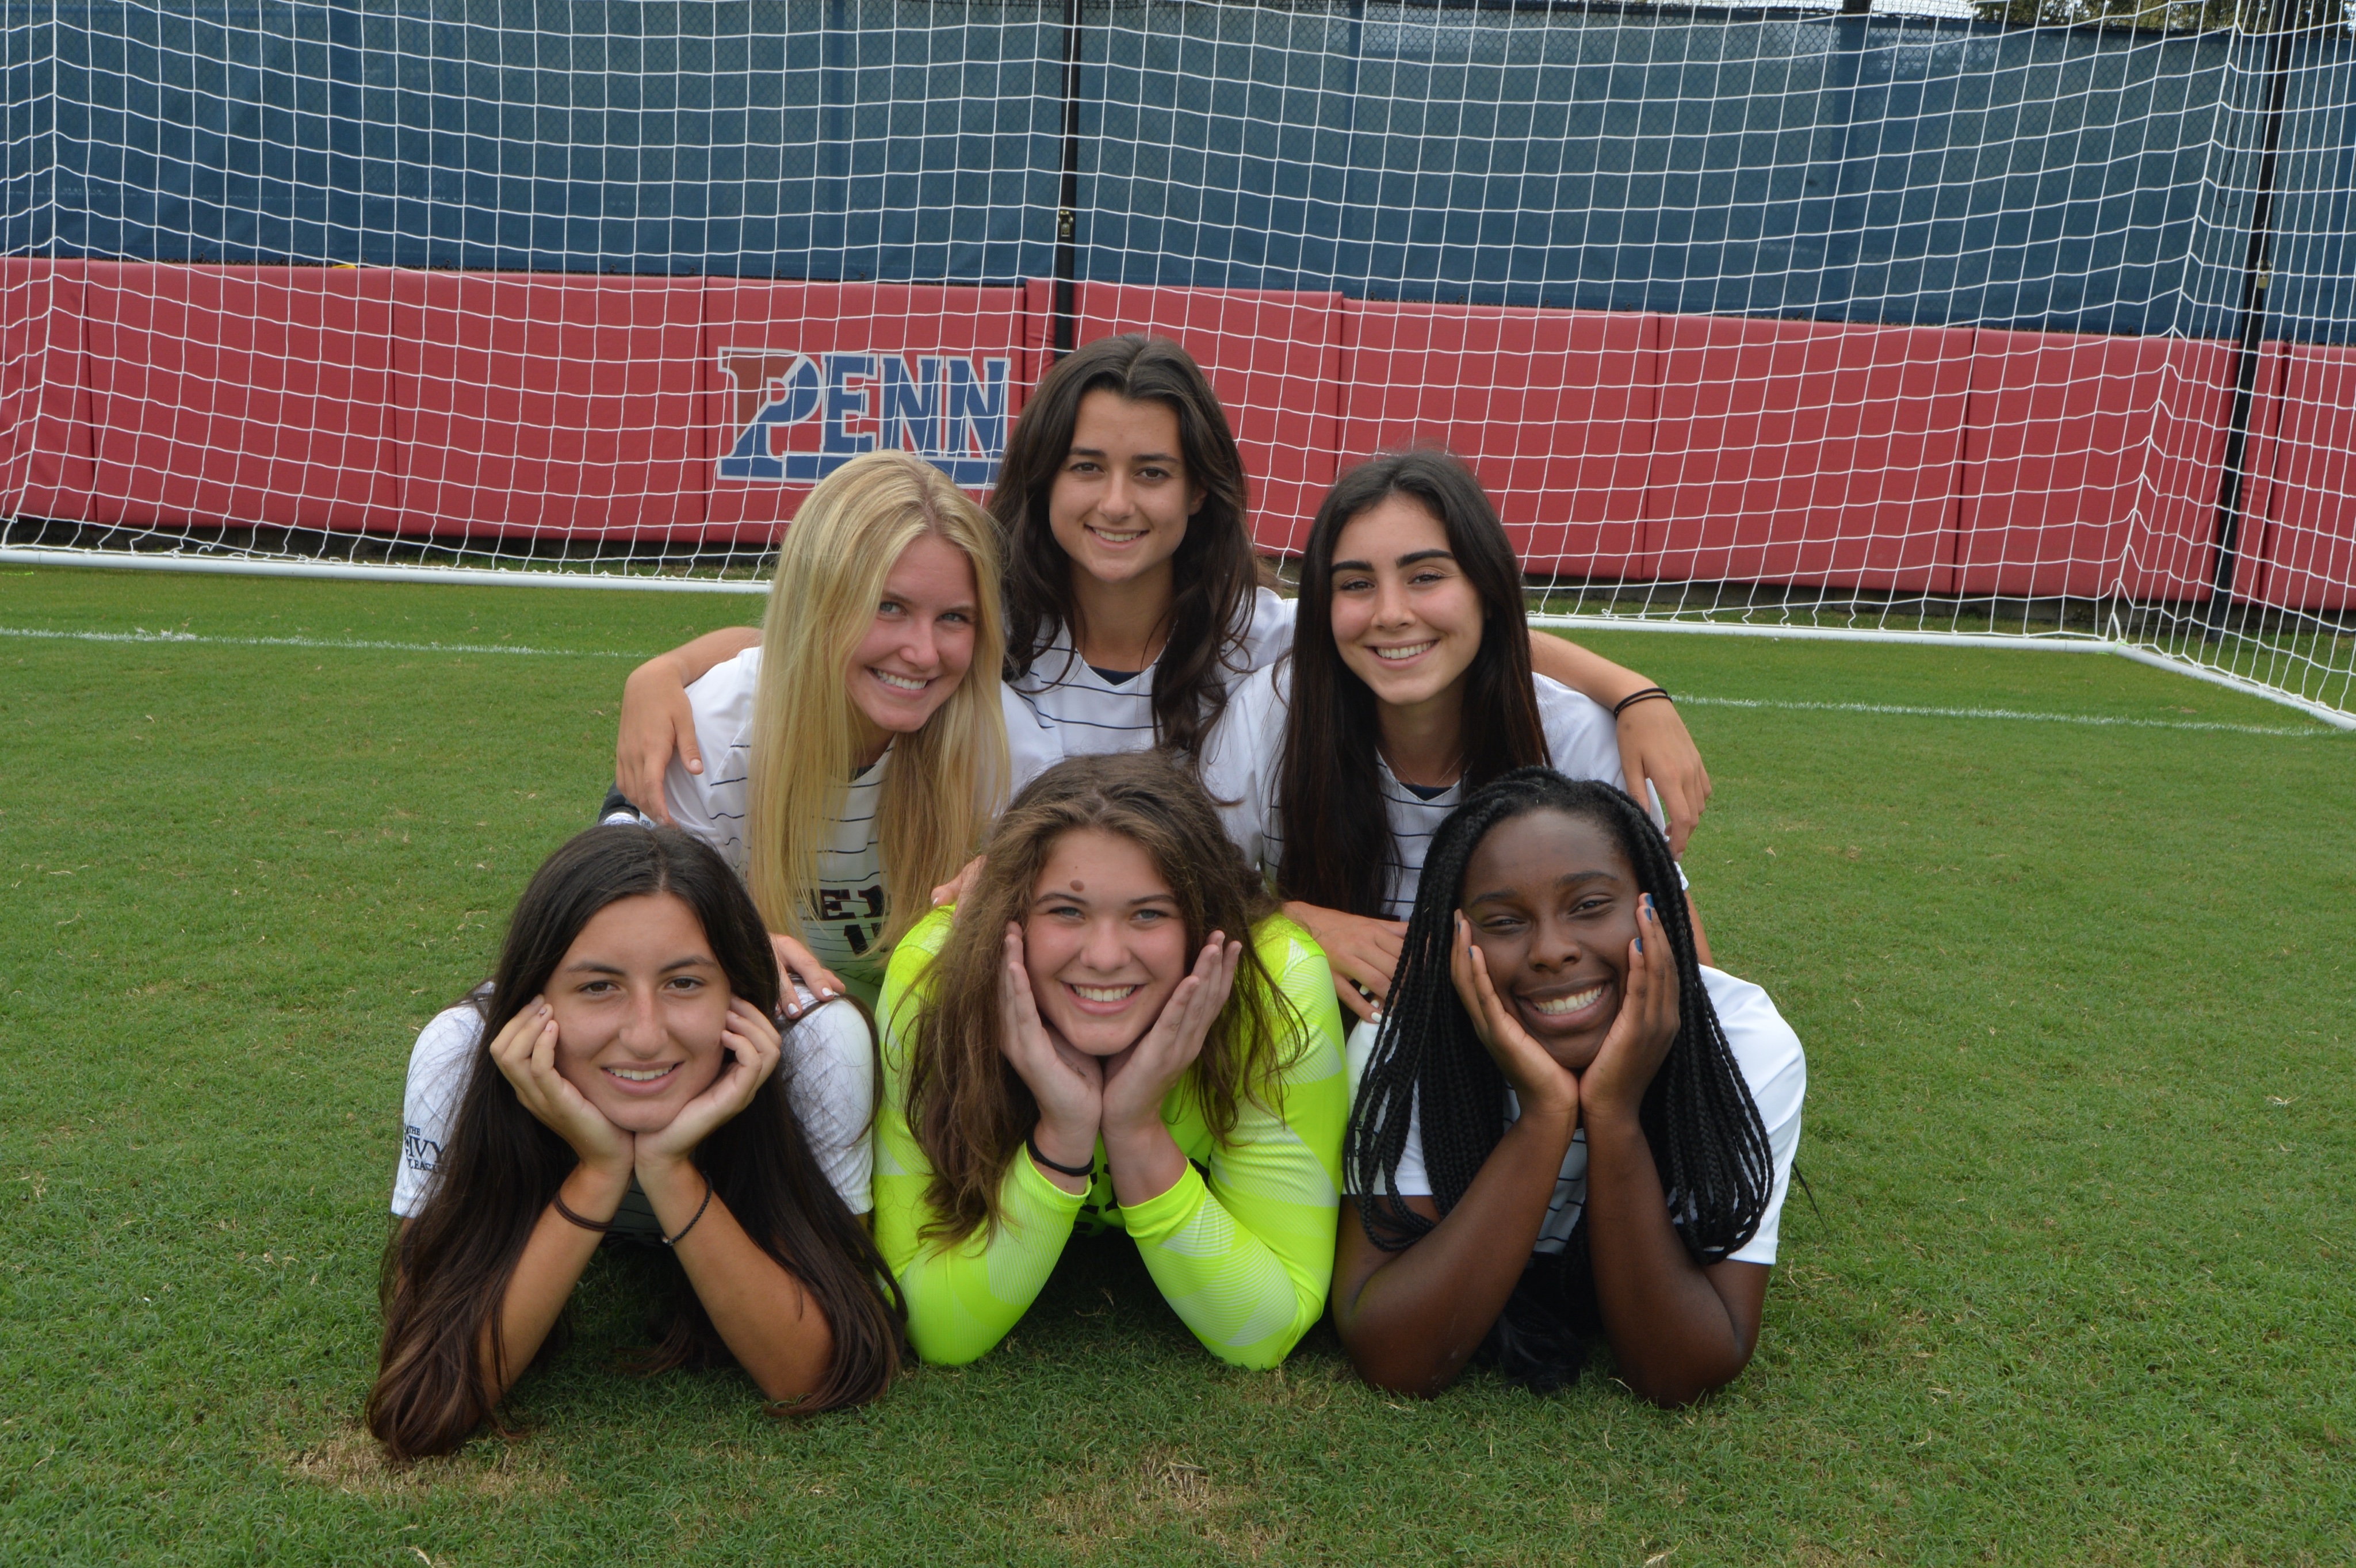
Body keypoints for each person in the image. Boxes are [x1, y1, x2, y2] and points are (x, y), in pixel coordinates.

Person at [610, 336, 1714, 852]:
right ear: (1042, 484)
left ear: (1199, 495)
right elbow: (816, 636)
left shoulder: (1257, 636)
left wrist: (1632, 691)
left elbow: (1448, 633)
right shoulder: (989, 612)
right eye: (1087, 468)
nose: (1117, 503)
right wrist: (661, 672)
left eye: (1152, 473)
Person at [369, 825, 904, 1460]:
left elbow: (811, 1370)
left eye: (685, 983)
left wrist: (667, 1167)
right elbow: (429, 1395)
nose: (646, 1036)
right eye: (598, 986)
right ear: (534, 998)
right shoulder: (460, 1051)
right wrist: (598, 1170)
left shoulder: (817, 1047)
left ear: (738, 991)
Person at [1330, 770, 1804, 1405]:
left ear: (1655, 905)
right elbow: (1397, 1355)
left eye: (1588, 905)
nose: (1551, 950)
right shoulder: (1404, 1044)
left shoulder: (1743, 1048)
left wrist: (1613, 1112)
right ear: (1458, 938)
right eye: (1503, 921)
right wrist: (1545, 1114)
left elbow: (1681, 1370)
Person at [871, 751, 1347, 1369]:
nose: (1102, 955)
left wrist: (1136, 1127)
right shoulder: (935, 977)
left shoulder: (1275, 983)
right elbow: (930, 1324)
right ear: (1009, 915)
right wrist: (1062, 1135)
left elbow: (1265, 1327)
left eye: (1148, 913)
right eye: (1066, 911)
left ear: (1203, 921)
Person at [1201, 448, 1708, 1022]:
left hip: (1536, 1041)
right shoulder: (1274, 712)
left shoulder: (1572, 736)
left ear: (1486, 589)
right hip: (1340, 1048)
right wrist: (1294, 918)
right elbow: (1192, 890)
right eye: (1356, 583)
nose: (1390, 613)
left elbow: (1687, 970)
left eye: (1426, 577)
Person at [631, 448, 1015, 1009]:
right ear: (819, 603)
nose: (923, 652)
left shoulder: (998, 734)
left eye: (954, 616)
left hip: (924, 1015)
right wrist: (731, 949)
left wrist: (1015, 874)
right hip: (767, 1000)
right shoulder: (712, 732)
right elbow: (651, 934)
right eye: (888, 606)